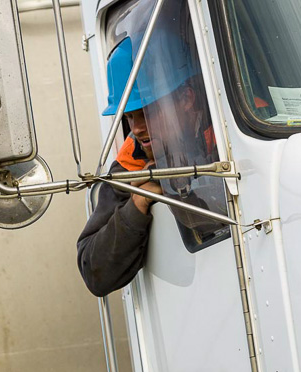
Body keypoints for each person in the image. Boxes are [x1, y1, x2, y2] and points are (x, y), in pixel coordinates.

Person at [76, 30, 220, 296]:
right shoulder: (130, 165)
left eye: (146, 112)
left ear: (186, 99)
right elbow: (95, 273)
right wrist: (138, 203)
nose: (137, 129)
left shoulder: (238, 131)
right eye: (129, 117)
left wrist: (180, 189)